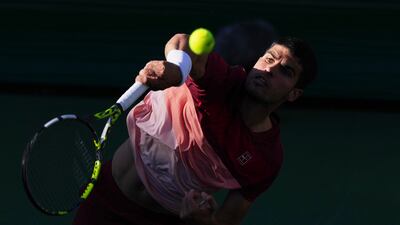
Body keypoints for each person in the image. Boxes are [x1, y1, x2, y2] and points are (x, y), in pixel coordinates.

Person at [73, 32, 317, 225]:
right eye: (269, 57)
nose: (270, 69)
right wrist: (177, 69)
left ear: (294, 94)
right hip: (105, 202)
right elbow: (184, 42)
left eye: (285, 70)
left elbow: (225, 220)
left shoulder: (265, 159)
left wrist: (203, 220)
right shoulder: (222, 82)